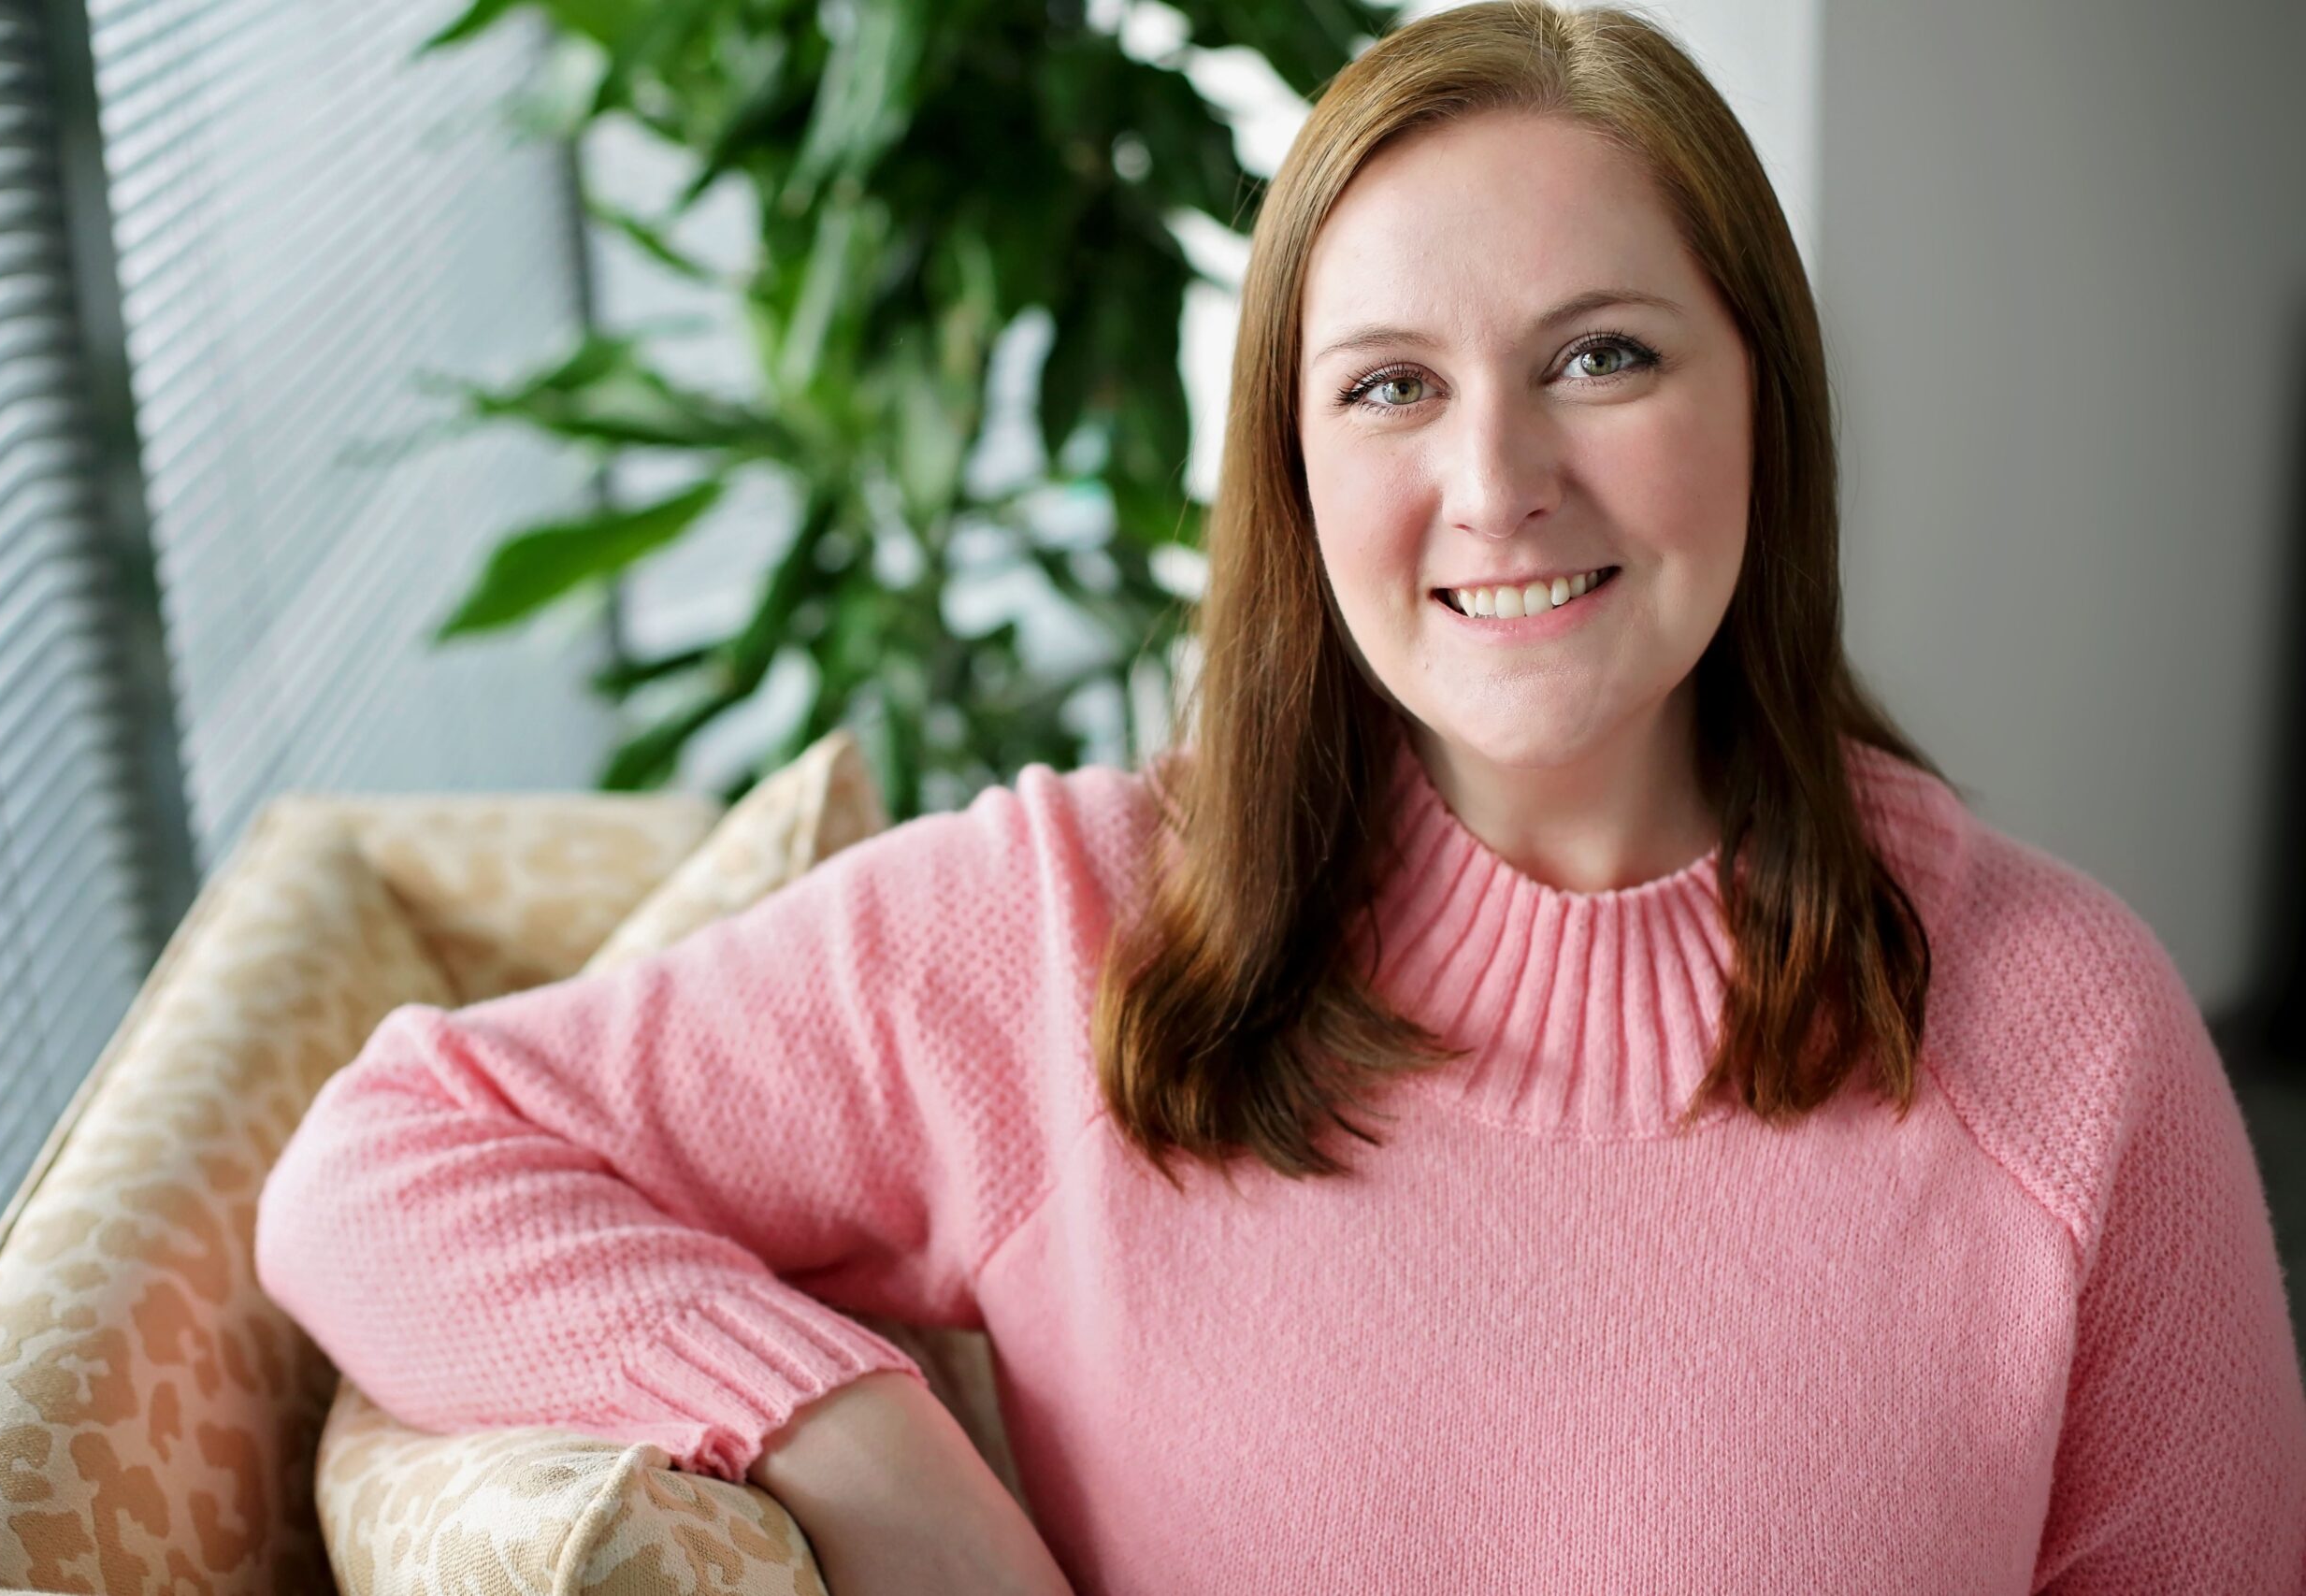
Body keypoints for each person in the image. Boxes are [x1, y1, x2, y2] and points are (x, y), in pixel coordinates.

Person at [255, 3, 2306, 1591]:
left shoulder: (2066, 1042)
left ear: (1760, 397)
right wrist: (856, 1437)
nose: (1494, 481)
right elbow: (393, 1163)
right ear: (1292, 469)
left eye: (1602, 356)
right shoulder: (1058, 933)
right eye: (1390, 385)